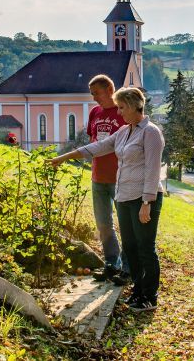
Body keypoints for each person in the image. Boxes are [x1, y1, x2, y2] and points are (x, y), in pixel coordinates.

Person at [50, 87, 165, 312]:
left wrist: (147, 203)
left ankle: (150, 296)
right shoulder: (123, 131)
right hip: (123, 197)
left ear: (134, 106)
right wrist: (64, 157)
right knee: (130, 247)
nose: (119, 112)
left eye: (121, 108)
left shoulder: (150, 132)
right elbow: (98, 147)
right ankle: (138, 291)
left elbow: (153, 170)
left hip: (143, 199)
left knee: (145, 248)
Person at [86, 74, 128, 284]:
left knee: (127, 225)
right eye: (92, 94)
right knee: (103, 224)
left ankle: (128, 268)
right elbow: (93, 141)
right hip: (98, 178)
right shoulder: (94, 112)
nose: (94, 98)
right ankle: (112, 263)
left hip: (120, 178)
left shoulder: (124, 111)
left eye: (97, 93)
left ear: (110, 90)